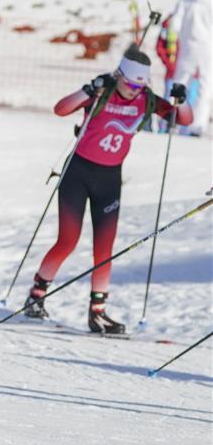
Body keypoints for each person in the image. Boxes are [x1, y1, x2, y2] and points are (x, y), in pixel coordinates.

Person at [24, 45, 193, 334]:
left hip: (109, 180)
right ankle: (36, 296)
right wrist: (88, 90)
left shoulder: (147, 100)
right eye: (128, 85)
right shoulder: (102, 92)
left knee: (104, 250)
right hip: (77, 173)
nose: (133, 92)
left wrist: (182, 100)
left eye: (140, 86)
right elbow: (61, 109)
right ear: (119, 76)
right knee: (68, 240)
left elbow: (183, 119)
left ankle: (98, 313)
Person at [166, 0, 212, 136]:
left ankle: (172, 120)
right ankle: (197, 126)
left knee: (179, 83)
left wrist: (177, 40)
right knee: (205, 87)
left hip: (187, 46)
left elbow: (174, 24)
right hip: (208, 48)